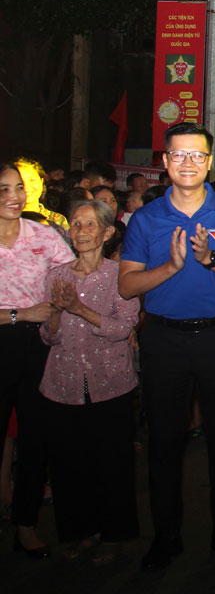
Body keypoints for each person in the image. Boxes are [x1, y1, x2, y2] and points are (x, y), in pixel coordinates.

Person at [119, 123, 215, 570]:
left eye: (197, 155)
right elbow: (126, 286)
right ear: (164, 162)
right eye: (178, 155)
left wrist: (212, 260)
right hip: (164, 340)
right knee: (164, 443)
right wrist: (171, 267)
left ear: (210, 161)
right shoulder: (145, 217)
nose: (188, 163)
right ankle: (166, 535)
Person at [41, 200, 141, 563]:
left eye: (89, 225)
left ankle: (114, 534)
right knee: (69, 464)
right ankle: (79, 531)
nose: (81, 231)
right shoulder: (57, 275)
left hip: (110, 383)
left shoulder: (119, 275)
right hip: (62, 383)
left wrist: (79, 309)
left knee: (111, 462)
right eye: (76, 225)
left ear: (107, 232)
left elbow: (123, 327)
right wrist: (54, 312)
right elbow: (47, 338)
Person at [0, 160, 75, 558]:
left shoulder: (45, 236)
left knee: (35, 440)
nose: (15, 197)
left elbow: (69, 280)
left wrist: (62, 307)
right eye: (4, 190)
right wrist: (19, 314)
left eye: (18, 188)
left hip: (40, 345)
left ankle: (25, 525)